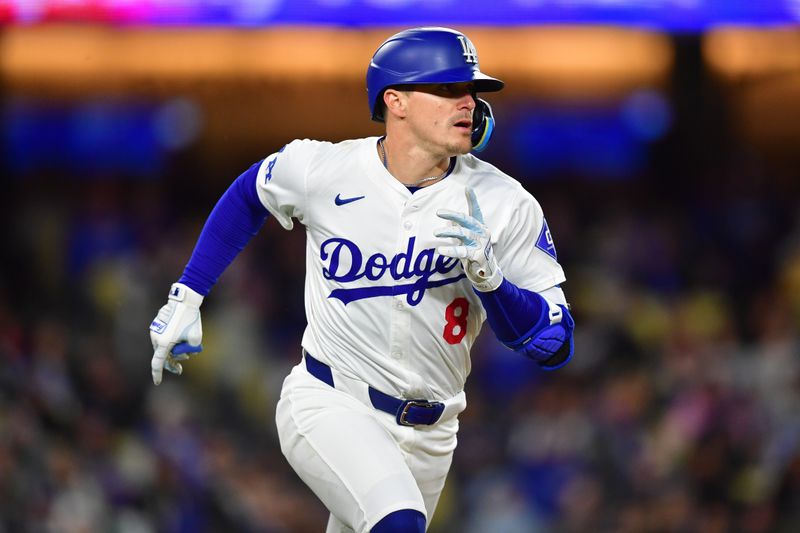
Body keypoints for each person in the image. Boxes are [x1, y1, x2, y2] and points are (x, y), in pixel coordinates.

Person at [149, 26, 575, 533]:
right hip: (331, 400)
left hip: (432, 435)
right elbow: (249, 192)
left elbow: (554, 343)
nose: (467, 102)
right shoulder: (326, 170)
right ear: (395, 101)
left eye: (472, 90)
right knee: (398, 523)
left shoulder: (504, 203)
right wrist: (188, 293)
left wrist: (493, 283)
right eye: (446, 89)